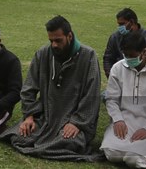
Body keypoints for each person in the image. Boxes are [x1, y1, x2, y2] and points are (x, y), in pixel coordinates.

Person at [6, 15, 101, 161]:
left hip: (73, 122)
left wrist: (76, 123)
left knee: (69, 141)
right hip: (45, 119)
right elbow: (28, 88)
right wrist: (29, 116)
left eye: (58, 40)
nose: (54, 45)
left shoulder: (88, 56)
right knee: (20, 136)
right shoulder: (43, 54)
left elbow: (92, 96)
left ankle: (46, 145)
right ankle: (44, 144)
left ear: (69, 36)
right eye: (51, 41)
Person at [101, 30, 146, 168]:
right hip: (124, 121)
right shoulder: (118, 68)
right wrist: (118, 120)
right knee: (112, 153)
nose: (128, 59)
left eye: (132, 56)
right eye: (126, 55)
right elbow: (111, 99)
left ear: (144, 52)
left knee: (134, 160)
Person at [104, 8, 146, 76]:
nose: (119, 27)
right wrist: (112, 77)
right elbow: (108, 59)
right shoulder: (115, 38)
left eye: (122, 24)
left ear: (131, 22)